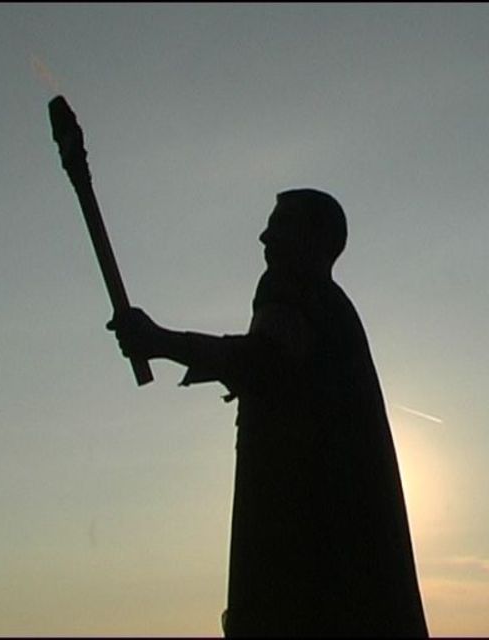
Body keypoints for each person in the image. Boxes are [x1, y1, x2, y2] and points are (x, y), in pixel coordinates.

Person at [107, 189, 428, 637]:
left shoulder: (290, 289)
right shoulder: (330, 307)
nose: (264, 237)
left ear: (313, 238)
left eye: (279, 226)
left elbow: (264, 362)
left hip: (302, 529)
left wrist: (161, 342)